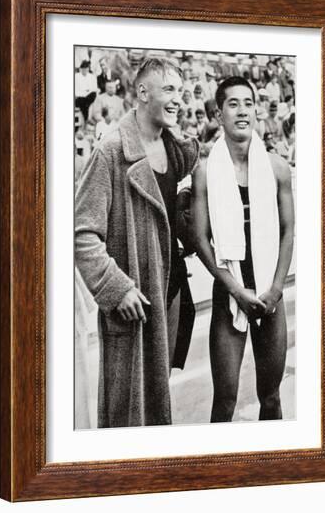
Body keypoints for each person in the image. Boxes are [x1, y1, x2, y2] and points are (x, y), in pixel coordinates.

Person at [75, 57, 200, 428]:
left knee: (158, 398)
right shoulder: (111, 150)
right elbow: (83, 233)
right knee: (126, 410)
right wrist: (116, 288)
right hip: (133, 300)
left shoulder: (178, 151)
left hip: (171, 291)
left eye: (182, 90)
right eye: (169, 90)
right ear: (143, 92)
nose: (179, 99)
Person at [191, 76, 294, 422]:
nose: (242, 111)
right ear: (219, 114)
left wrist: (276, 289)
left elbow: (288, 229)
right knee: (225, 400)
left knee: (272, 398)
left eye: (248, 103)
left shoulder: (277, 168)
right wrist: (236, 290)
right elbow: (200, 237)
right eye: (232, 103)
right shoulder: (205, 171)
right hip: (229, 291)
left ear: (256, 110)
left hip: (269, 294)